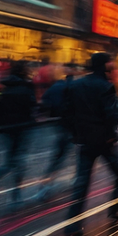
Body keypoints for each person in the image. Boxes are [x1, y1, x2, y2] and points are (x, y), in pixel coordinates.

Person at [64, 53, 118, 236]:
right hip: (104, 142)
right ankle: (114, 210)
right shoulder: (106, 86)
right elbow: (111, 115)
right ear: (104, 65)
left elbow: (67, 112)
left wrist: (75, 134)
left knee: (81, 183)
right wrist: (110, 136)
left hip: (85, 140)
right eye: (110, 63)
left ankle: (72, 227)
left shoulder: (76, 85)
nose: (112, 67)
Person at [0, 60, 36, 209]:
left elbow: (0, 106)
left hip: (7, 127)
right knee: (18, 161)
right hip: (22, 127)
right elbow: (31, 105)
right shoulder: (27, 86)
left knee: (11, 158)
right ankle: (15, 194)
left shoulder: (6, 86)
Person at [37, 63, 76, 200]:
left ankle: (47, 180)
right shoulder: (73, 87)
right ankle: (76, 178)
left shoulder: (54, 88)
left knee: (60, 153)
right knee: (75, 152)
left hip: (60, 124)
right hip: (73, 124)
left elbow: (44, 103)